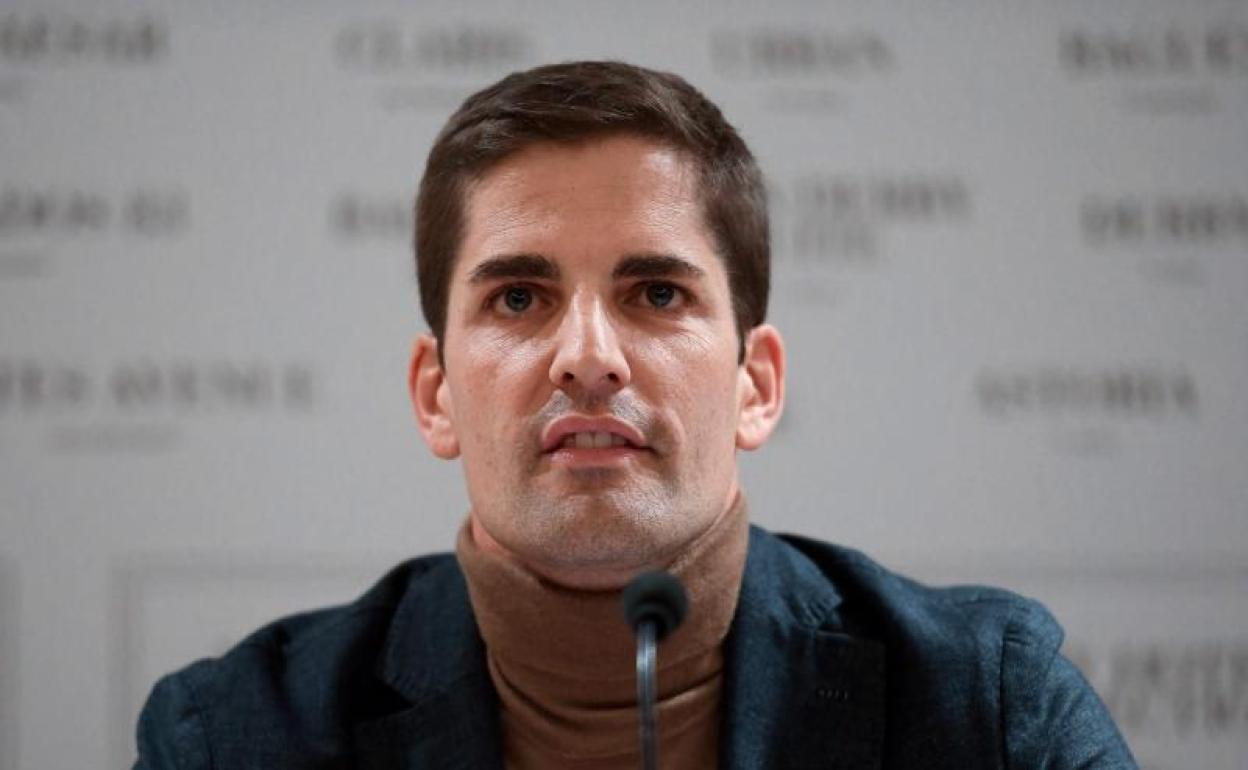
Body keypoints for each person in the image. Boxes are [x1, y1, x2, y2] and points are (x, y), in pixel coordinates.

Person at [134, 61, 1136, 769]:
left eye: (656, 293)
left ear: (756, 384)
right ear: (436, 393)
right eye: (518, 298)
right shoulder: (231, 736)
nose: (588, 357)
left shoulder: (989, 710)